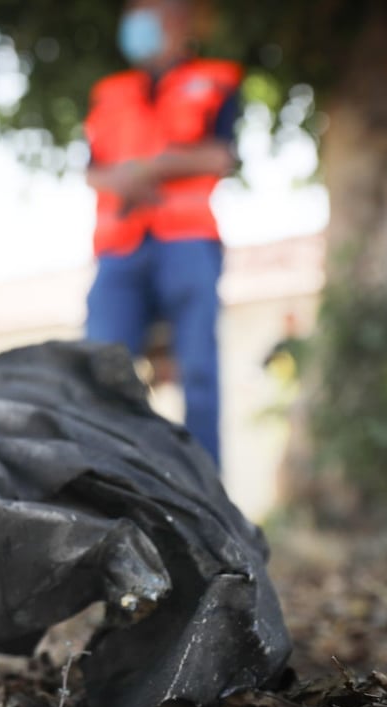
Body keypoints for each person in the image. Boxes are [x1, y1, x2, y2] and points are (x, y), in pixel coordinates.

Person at [83, 0, 241, 468]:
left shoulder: (217, 80)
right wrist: (133, 178)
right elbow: (92, 171)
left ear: (180, 18)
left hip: (187, 241)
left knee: (199, 373)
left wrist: (154, 167)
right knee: (101, 373)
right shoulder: (110, 92)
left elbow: (220, 156)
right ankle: (110, 484)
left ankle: (207, 490)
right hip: (119, 248)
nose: (137, 20)